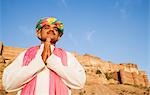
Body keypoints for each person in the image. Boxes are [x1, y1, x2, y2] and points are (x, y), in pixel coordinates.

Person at [2, 17, 86, 95]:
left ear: (59, 36)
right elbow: (8, 84)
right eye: (46, 27)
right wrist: (39, 62)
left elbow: (79, 82)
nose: (51, 30)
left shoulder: (68, 56)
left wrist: (52, 61)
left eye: (55, 29)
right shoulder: (25, 55)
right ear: (38, 33)